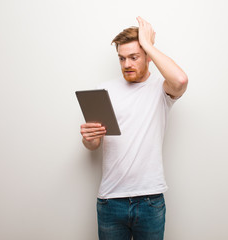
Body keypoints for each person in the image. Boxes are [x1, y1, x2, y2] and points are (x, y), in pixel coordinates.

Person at [80, 16, 188, 240]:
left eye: (133, 57)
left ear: (148, 57)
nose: (126, 64)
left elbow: (180, 80)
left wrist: (148, 44)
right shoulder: (104, 90)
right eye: (121, 58)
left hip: (150, 200)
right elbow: (93, 144)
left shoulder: (161, 88)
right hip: (110, 201)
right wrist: (89, 139)